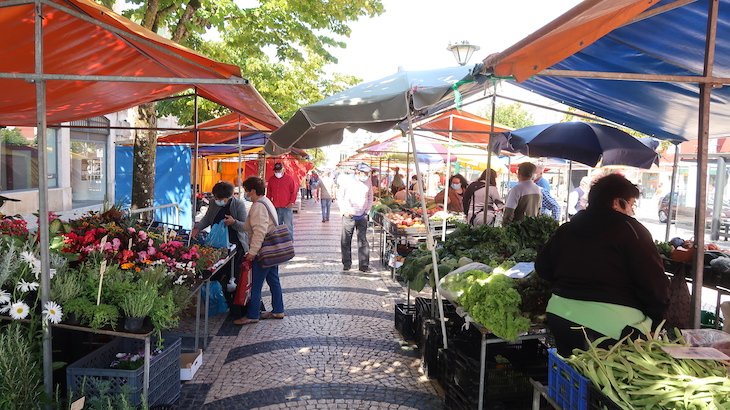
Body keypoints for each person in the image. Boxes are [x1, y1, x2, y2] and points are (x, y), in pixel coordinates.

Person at [535, 174, 670, 356]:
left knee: (574, 376)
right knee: (606, 383)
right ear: (617, 202)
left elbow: (542, 267)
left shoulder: (566, 229)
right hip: (612, 328)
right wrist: (657, 321)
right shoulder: (632, 230)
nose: (632, 211)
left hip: (560, 316)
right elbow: (655, 286)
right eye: (631, 205)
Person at [234, 177, 285, 325]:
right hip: (272, 250)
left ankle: (252, 314)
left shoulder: (258, 206)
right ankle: (278, 310)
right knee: (274, 280)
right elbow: (251, 226)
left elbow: (259, 231)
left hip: (263, 251)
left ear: (253, 191)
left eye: (246, 190)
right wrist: (236, 222)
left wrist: (252, 252)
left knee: (255, 284)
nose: (245, 193)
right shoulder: (266, 201)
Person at [191, 181, 248, 314]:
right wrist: (197, 228)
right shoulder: (212, 203)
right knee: (216, 273)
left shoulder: (238, 205)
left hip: (234, 245)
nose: (217, 201)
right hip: (217, 244)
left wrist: (233, 222)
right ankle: (219, 303)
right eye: (216, 198)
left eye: (220, 199)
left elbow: (244, 226)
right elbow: (207, 219)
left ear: (229, 197)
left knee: (234, 276)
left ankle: (236, 308)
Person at [339, 163, 373, 272]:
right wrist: (344, 211)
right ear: (357, 172)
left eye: (368, 173)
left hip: (362, 216)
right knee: (346, 240)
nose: (367, 175)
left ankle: (364, 265)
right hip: (349, 215)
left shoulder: (368, 181)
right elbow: (340, 195)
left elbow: (370, 196)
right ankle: (347, 263)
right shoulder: (347, 180)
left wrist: (367, 211)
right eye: (365, 173)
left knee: (363, 241)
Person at [266, 162, 298, 236]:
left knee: (288, 226)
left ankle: (290, 242)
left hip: (286, 206)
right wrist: (269, 204)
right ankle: (279, 243)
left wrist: (292, 202)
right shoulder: (271, 179)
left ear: (283, 170)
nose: (277, 172)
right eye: (276, 171)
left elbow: (294, 192)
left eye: (279, 171)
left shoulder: (289, 179)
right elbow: (269, 193)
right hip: (275, 207)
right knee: (276, 226)